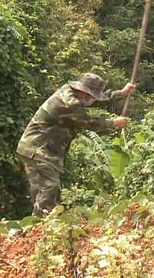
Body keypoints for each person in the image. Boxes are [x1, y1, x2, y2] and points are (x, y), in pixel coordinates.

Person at [17, 73, 136, 216]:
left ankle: (43, 225)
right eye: (91, 95)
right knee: (49, 188)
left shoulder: (72, 93)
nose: (92, 99)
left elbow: (95, 101)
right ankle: (41, 227)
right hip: (36, 148)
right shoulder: (69, 103)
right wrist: (113, 123)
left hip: (46, 150)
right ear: (84, 93)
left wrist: (120, 94)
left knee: (50, 192)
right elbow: (89, 122)